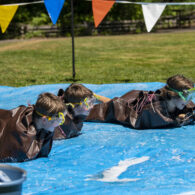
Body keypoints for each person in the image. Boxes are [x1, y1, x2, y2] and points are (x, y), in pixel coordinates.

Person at [86, 75, 195, 129]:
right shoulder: (155, 111)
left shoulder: (179, 102)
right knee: (93, 110)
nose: (188, 101)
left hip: (137, 101)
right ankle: (93, 97)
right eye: (186, 96)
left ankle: (97, 96)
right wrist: (182, 118)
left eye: (190, 96)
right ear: (172, 95)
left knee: (116, 101)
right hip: (123, 110)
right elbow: (171, 122)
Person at [0, 92, 75, 162]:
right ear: (44, 120)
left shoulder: (40, 118)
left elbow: (43, 152)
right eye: (60, 120)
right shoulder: (23, 142)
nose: (60, 124)